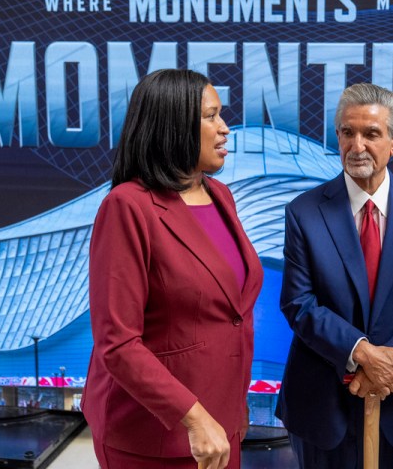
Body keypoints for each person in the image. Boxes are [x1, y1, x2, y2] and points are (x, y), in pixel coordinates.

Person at [82, 69, 264, 469]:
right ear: (174, 125)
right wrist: (195, 418)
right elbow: (118, 342)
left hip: (222, 427)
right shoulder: (127, 207)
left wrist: (234, 407)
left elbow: (230, 314)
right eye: (211, 116)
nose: (225, 128)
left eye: (222, 115)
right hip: (156, 434)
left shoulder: (221, 196)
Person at [276, 83, 393, 468]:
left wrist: (387, 367)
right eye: (347, 132)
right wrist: (361, 353)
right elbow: (298, 303)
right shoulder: (304, 212)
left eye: (371, 134)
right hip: (321, 407)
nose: (356, 145)